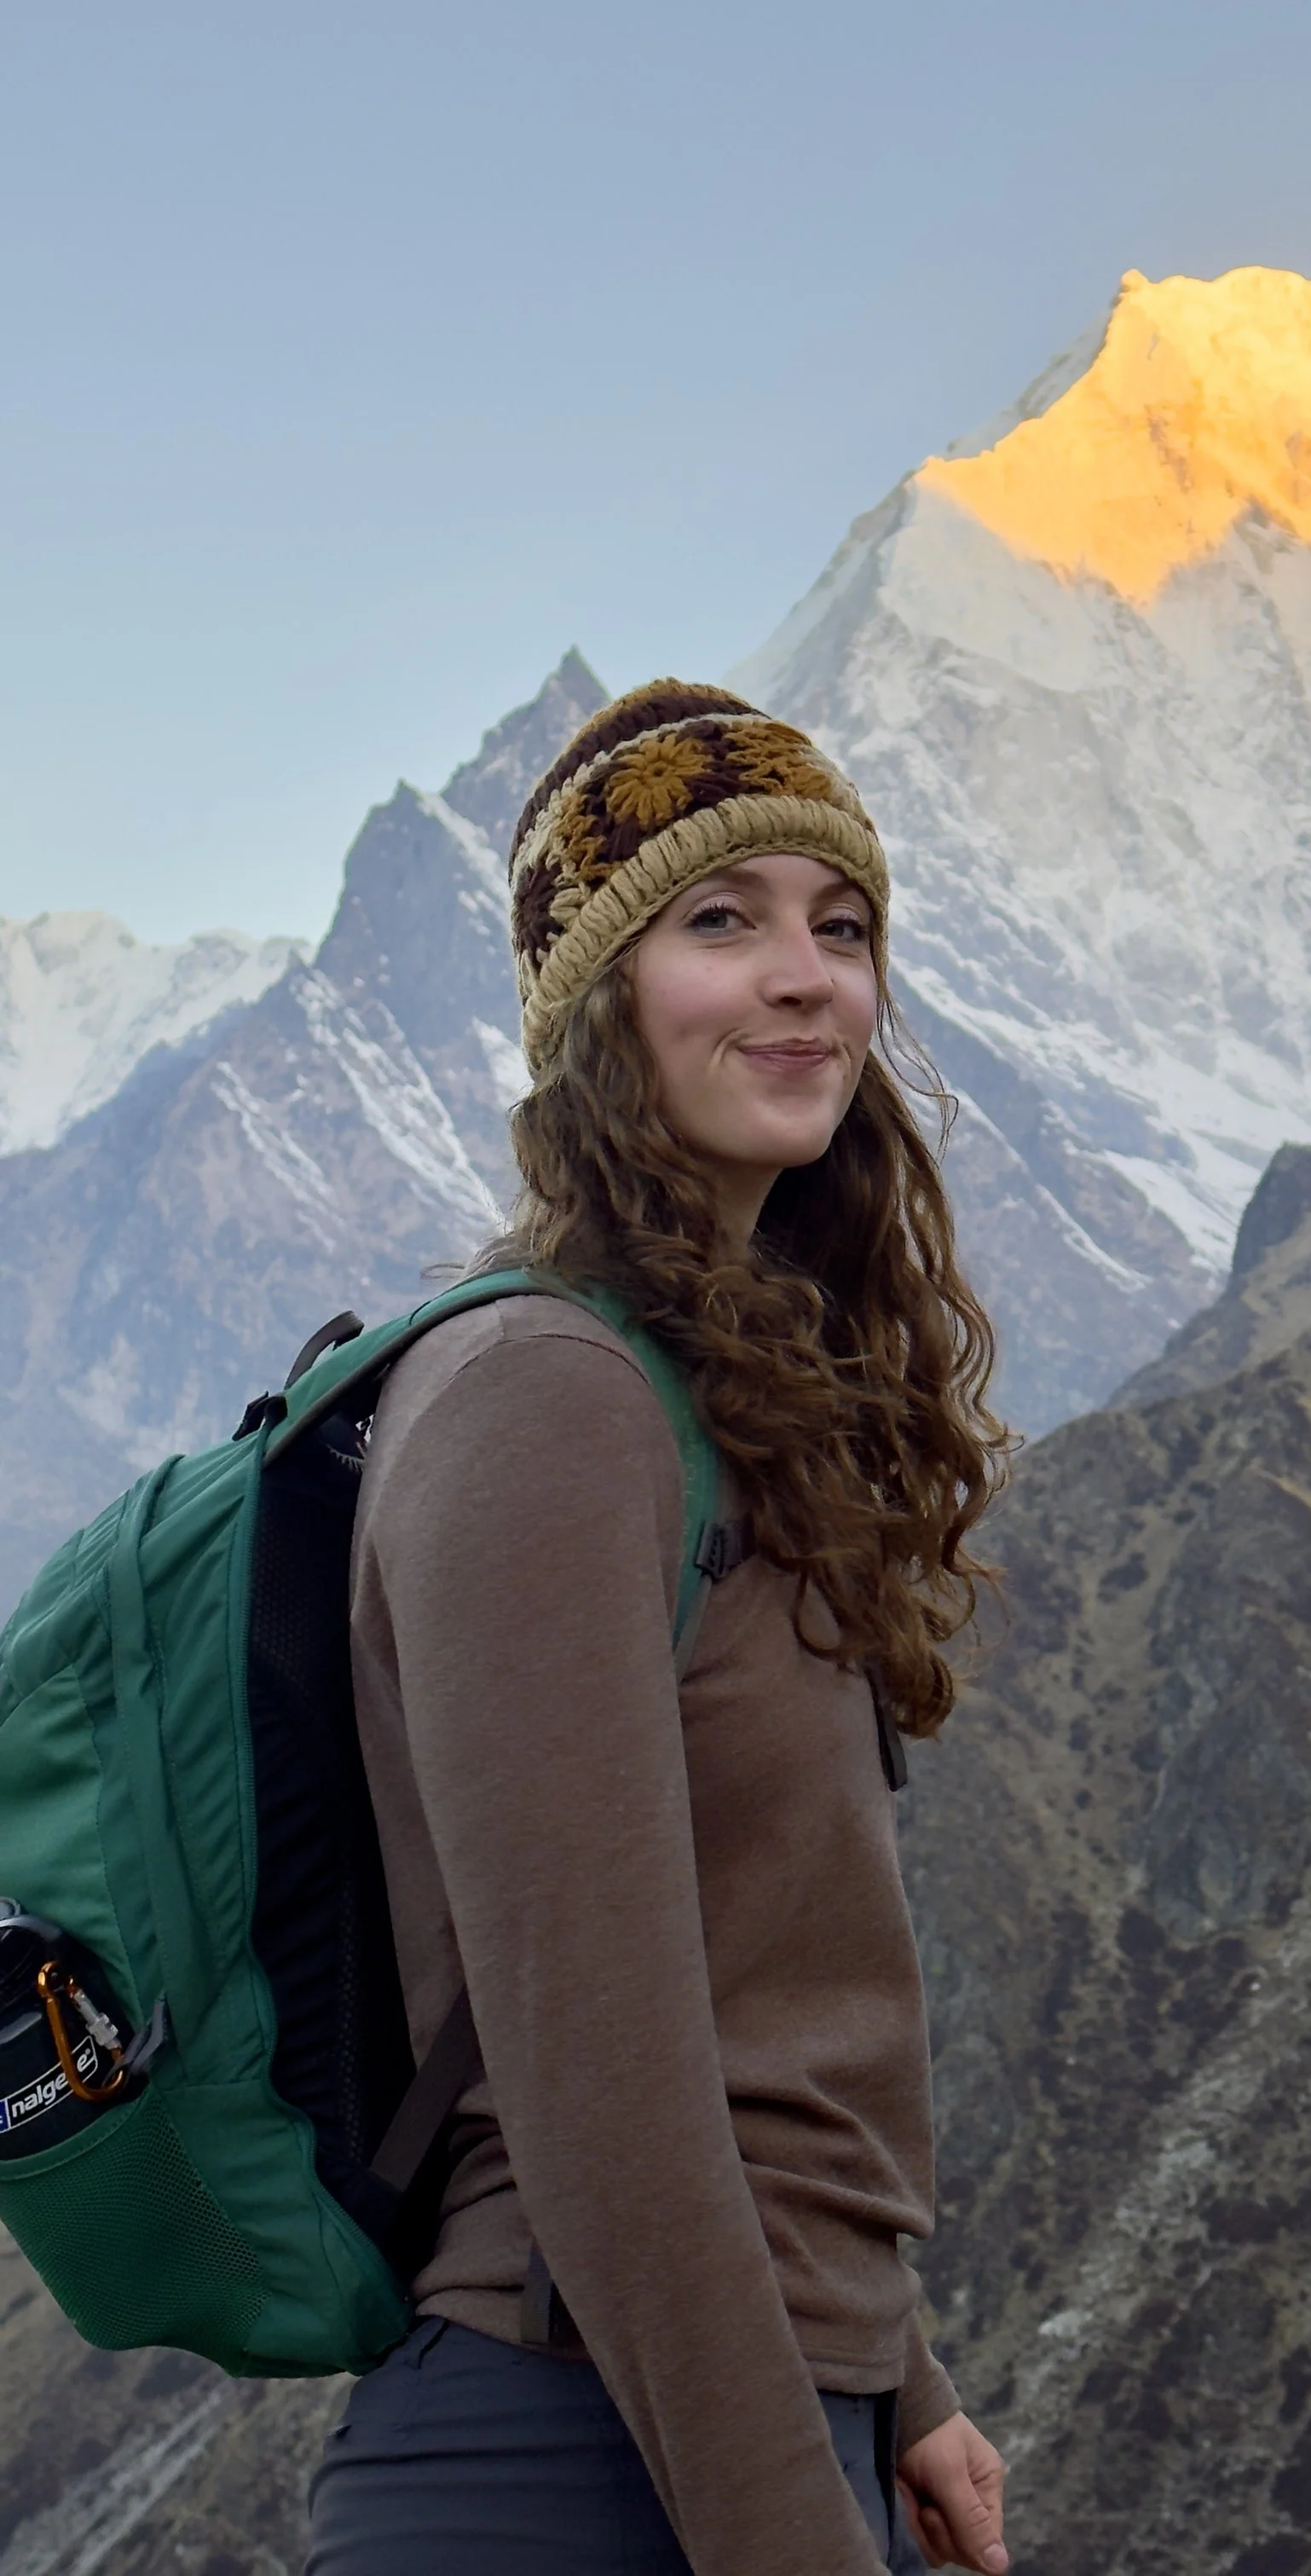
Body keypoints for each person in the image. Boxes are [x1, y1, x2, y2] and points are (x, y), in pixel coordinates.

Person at [306, 681, 1014, 2576]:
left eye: (837, 923)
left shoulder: (707, 1382)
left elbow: (751, 1983)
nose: (804, 979)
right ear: (596, 1003)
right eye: (718, 922)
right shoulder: (544, 1399)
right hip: (570, 2454)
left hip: (731, 2416)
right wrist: (796, 2535)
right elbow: (592, 2068)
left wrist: (904, 2384)